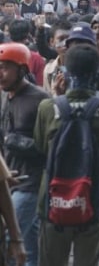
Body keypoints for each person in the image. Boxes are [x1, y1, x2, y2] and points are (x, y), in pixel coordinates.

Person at [34, 44, 99, 266]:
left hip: (53, 200)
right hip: (94, 201)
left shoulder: (47, 108)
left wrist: (59, 98)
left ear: (65, 71)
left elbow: (41, 150)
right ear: (97, 73)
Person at [0, 43, 51, 266]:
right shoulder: (5, 97)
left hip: (30, 182)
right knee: (29, 245)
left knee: (12, 238)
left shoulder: (40, 100)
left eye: (5, 68)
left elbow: (49, 146)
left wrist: (13, 141)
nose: (0, 73)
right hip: (9, 182)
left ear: (21, 70)